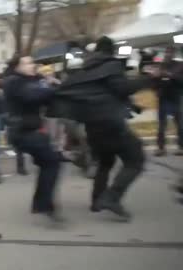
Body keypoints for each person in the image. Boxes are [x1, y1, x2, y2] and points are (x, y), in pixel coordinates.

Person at [52, 36, 151, 221]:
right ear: (111, 51)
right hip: (111, 124)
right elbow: (121, 89)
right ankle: (112, 197)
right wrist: (145, 80)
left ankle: (97, 201)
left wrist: (133, 106)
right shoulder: (112, 65)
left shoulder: (86, 68)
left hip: (93, 126)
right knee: (135, 160)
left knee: (105, 163)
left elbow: (105, 93)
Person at [3, 56, 62, 222]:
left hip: (32, 130)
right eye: (27, 63)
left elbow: (46, 97)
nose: (32, 65)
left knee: (48, 163)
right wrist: (50, 89)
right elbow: (31, 96)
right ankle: (44, 205)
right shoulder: (13, 82)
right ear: (17, 67)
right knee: (51, 161)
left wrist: (53, 86)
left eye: (32, 62)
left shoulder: (33, 80)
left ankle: (41, 204)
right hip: (22, 132)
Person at [153, 46, 183, 156]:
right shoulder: (161, 66)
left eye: (170, 52)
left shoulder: (180, 66)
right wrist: (156, 78)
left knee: (179, 124)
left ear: (174, 54)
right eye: (167, 52)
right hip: (163, 98)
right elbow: (155, 84)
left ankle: (181, 147)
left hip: (175, 98)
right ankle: (161, 148)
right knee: (161, 125)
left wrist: (171, 75)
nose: (168, 54)